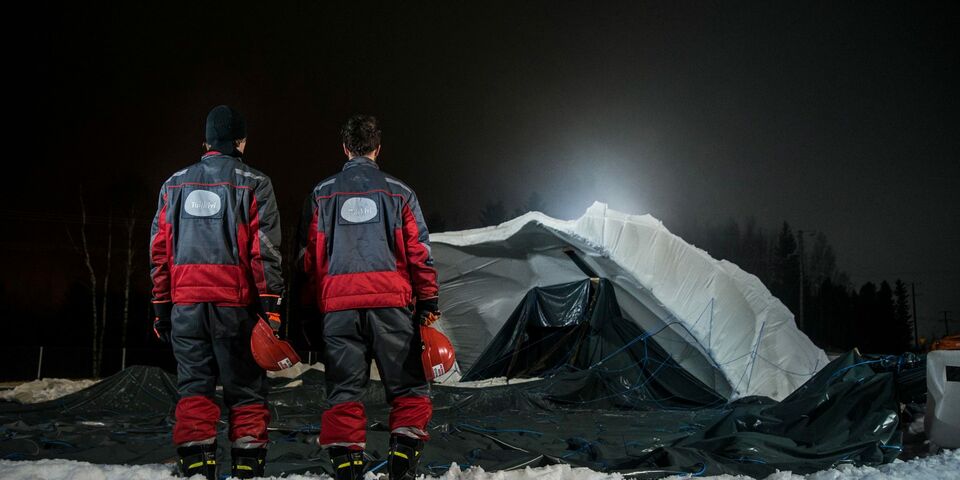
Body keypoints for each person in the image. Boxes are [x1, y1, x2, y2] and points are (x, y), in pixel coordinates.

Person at [297, 114, 439, 480]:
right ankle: (401, 465)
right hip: (392, 307)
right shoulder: (400, 192)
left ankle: (348, 471)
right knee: (408, 387)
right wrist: (427, 301)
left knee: (344, 391)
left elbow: (309, 258)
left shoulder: (322, 193)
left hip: (338, 309)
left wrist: (309, 309)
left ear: (345, 148)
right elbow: (419, 252)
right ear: (378, 148)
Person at [150, 105, 284, 479]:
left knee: (194, 392)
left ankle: (196, 471)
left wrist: (162, 308)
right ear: (241, 141)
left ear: (206, 140)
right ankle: (246, 471)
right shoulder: (256, 182)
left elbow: (159, 253)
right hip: (236, 311)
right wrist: (271, 308)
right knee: (246, 394)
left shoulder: (172, 185)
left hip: (186, 310)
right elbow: (265, 252)